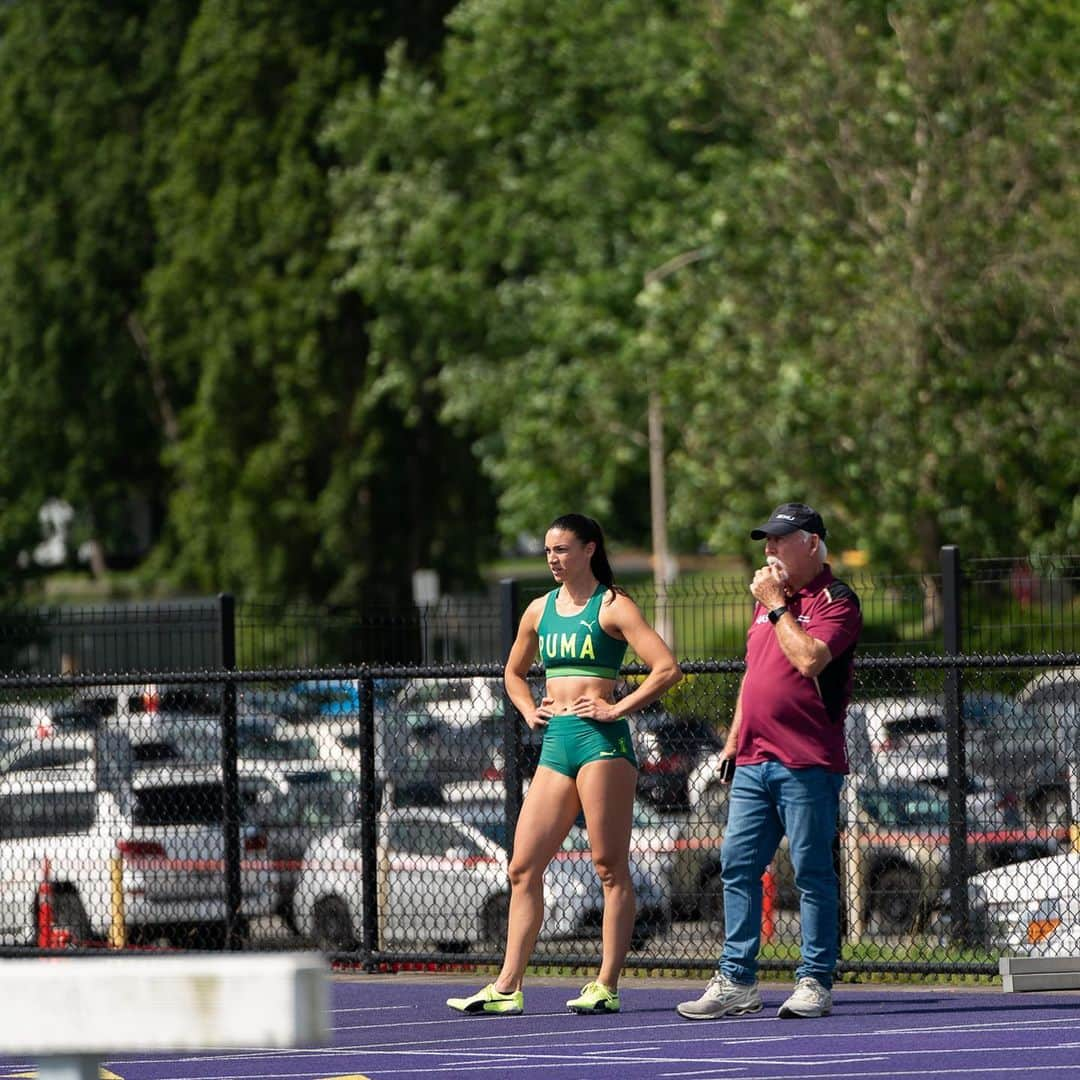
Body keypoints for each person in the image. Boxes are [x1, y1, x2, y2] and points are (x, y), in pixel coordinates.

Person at [447, 513, 682, 1016]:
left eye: (562, 549)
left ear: (589, 549)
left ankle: (606, 985)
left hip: (603, 745)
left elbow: (666, 668)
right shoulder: (538, 609)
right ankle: (507, 988)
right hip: (558, 744)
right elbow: (513, 673)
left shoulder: (613, 605)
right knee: (522, 866)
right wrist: (530, 708)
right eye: (548, 551)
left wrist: (617, 707)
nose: (553, 558)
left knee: (609, 867)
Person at [677, 502, 862, 1021]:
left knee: (811, 871)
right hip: (755, 761)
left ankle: (815, 980)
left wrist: (779, 605)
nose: (770, 549)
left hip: (807, 761)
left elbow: (808, 660)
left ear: (811, 543)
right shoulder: (767, 602)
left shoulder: (835, 600)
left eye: (781, 539)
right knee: (737, 865)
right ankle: (736, 980)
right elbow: (753, 675)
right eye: (767, 541)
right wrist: (733, 741)